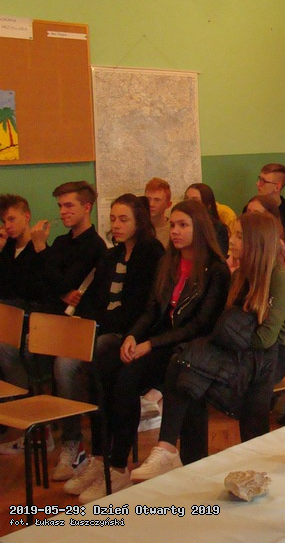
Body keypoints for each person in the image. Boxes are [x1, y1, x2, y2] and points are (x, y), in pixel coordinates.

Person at [130, 212, 285, 481]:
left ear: (256, 242)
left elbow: (266, 338)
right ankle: (175, 452)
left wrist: (228, 344)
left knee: (194, 370)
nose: (231, 241)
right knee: (182, 363)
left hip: (274, 353)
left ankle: (182, 454)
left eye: (239, 236)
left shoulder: (280, 277)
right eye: (233, 234)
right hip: (244, 346)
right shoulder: (240, 273)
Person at [81, 200, 230, 503]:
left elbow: (199, 325)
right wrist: (133, 336)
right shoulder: (169, 262)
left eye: (183, 225)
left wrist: (150, 344)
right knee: (108, 365)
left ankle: (149, 457)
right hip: (162, 341)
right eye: (172, 225)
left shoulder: (216, 270)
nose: (175, 231)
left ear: (200, 228)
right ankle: (113, 464)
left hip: (189, 348)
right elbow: (152, 310)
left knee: (131, 377)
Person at [60, 194, 164, 492]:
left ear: (139, 221)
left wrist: (112, 330)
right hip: (109, 335)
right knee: (89, 366)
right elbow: (96, 301)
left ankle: (116, 463)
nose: (116, 225)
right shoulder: (111, 256)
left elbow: (145, 308)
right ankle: (99, 457)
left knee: (109, 367)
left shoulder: (152, 253)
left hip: (138, 337)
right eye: (113, 218)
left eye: (123, 219)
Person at [0, 181, 106, 461]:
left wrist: (40, 249)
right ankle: (38, 429)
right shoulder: (60, 242)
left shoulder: (95, 245)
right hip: (54, 320)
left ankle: (73, 441)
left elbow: (63, 281)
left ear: (87, 207)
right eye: (60, 206)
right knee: (19, 349)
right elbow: (46, 284)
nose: (62, 212)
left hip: (78, 325)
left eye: (69, 205)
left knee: (63, 366)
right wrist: (61, 291)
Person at [0, 194, 44, 307]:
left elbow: (34, 293)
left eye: (11, 219)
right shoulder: (6, 247)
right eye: (4, 221)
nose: (7, 226)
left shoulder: (39, 250)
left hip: (25, 311)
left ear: (27, 217)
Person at [185, 183, 229, 256]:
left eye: (195, 200)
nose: (188, 204)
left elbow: (219, 257)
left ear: (208, 205)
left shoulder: (218, 228)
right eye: (186, 199)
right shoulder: (179, 225)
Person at [144, 177, 172, 249]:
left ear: (168, 204)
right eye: (148, 199)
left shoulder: (173, 229)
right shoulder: (137, 228)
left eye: (157, 200)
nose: (151, 204)